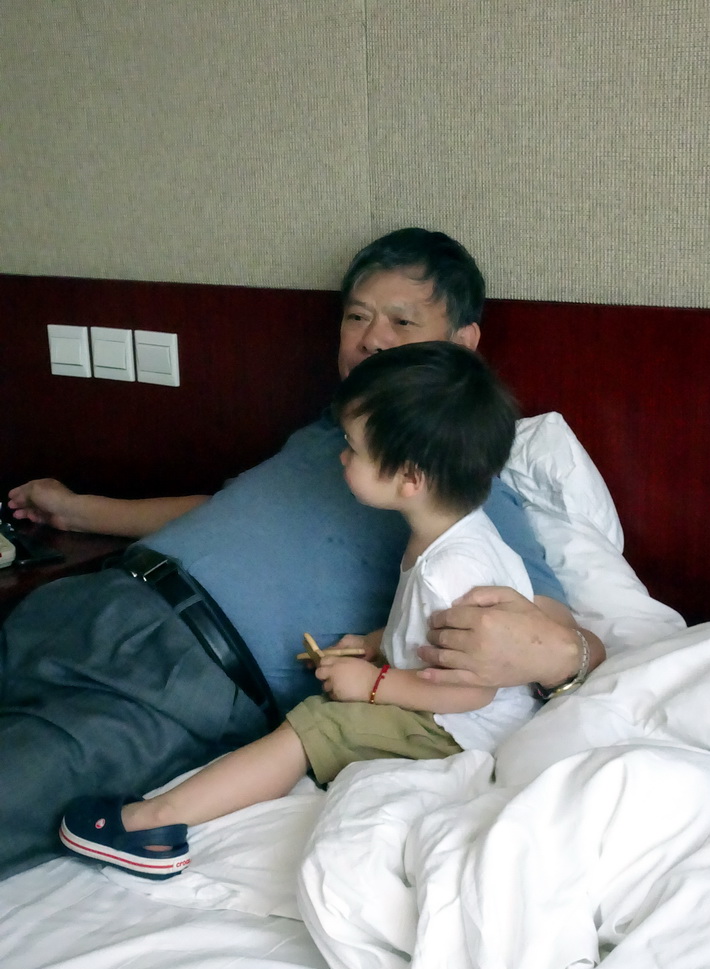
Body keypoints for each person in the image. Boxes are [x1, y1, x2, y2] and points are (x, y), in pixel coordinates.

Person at [2, 228, 604, 881]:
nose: (372, 338)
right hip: (90, 600)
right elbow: (221, 511)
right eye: (357, 316)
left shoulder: (465, 493)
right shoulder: (330, 435)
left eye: (403, 321)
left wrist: (556, 656)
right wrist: (81, 510)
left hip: (183, 680)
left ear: (462, 345)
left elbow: (559, 636)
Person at [59, 342, 542, 879]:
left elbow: (474, 688)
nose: (341, 456)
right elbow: (428, 629)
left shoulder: (450, 569)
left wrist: (373, 686)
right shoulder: (453, 533)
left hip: (457, 730)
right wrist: (375, 643)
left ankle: (152, 825)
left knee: (310, 726)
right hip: (447, 704)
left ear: (409, 478)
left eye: (354, 449)